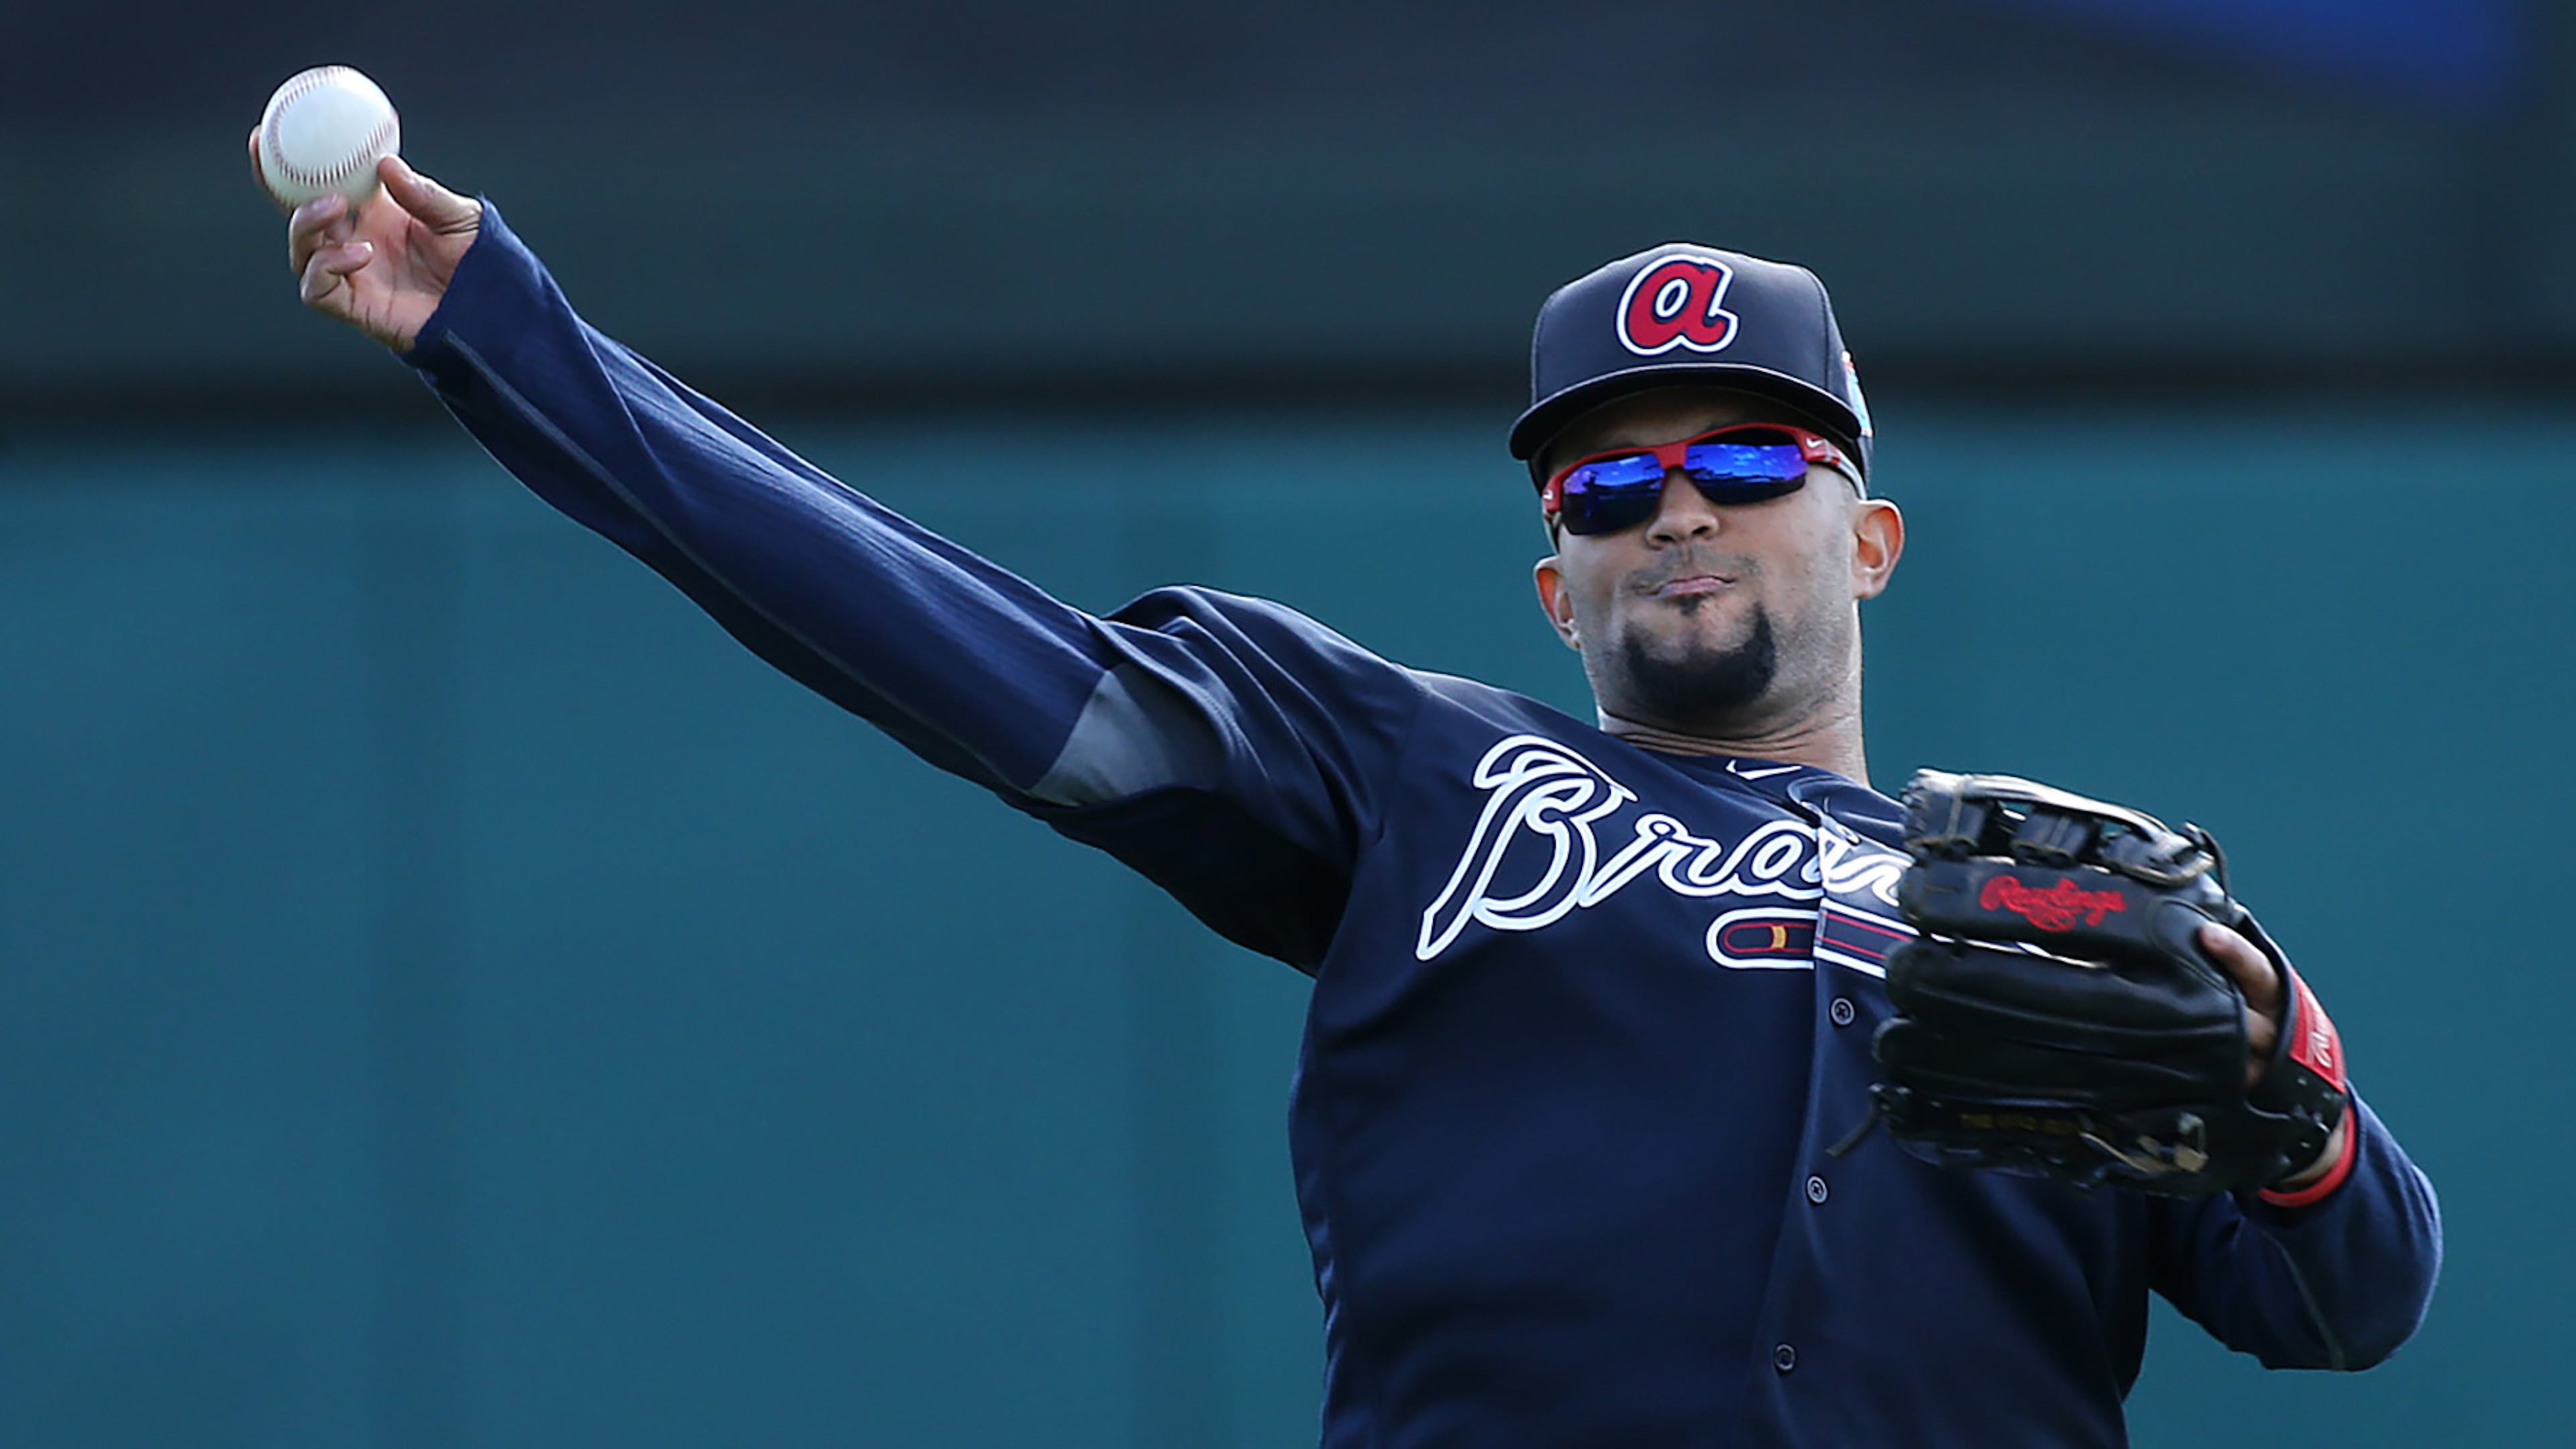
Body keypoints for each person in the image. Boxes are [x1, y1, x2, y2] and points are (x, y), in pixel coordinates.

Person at [270, 148, 2441, 1446]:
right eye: (1611, 476)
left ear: (1865, 535)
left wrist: (2290, 1081)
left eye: (1753, 457)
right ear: (1553, 569)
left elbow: (2347, 1306)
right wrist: (518, 340)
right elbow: (949, 642)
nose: (1680, 503)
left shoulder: (2037, 927)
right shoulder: (1416, 774)